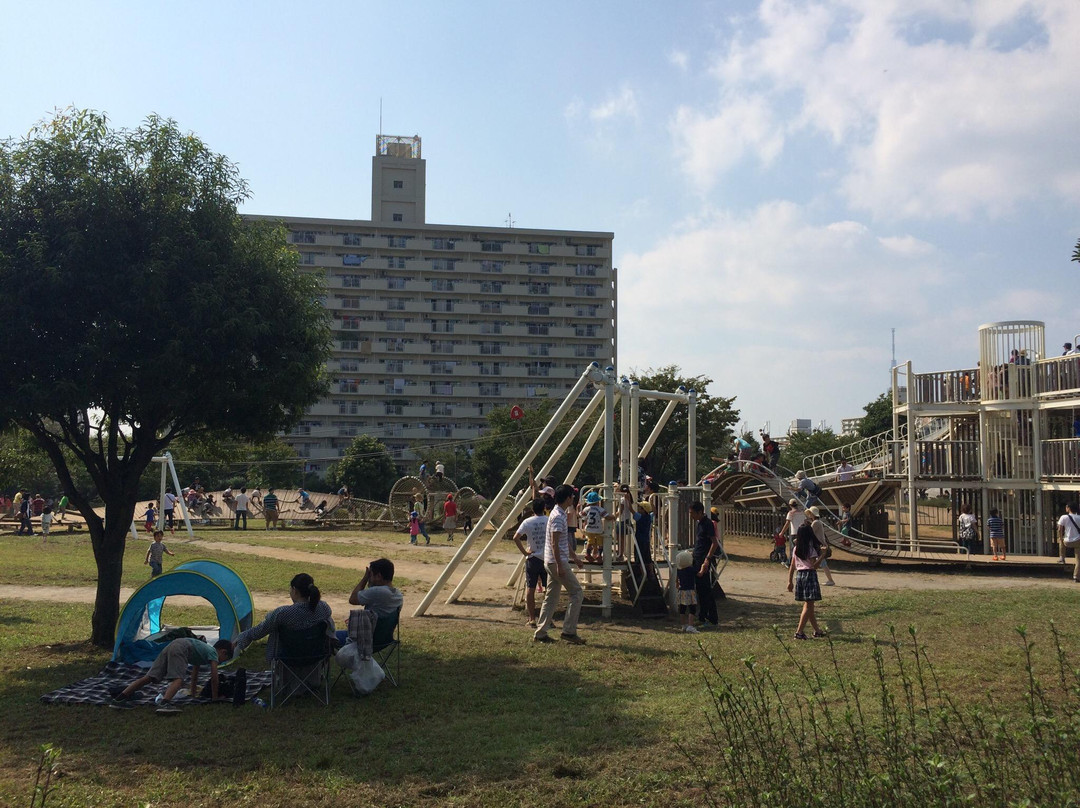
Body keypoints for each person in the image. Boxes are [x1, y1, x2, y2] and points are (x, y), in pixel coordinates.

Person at [111, 637, 233, 712]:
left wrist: (193, 692)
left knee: (150, 677)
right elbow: (214, 678)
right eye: (224, 659)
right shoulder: (212, 653)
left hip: (173, 645)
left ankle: (120, 698)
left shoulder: (203, 651)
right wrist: (215, 698)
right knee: (178, 679)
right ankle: (165, 703)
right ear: (223, 652)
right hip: (182, 647)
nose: (220, 662)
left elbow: (195, 674)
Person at [234, 573, 335, 661]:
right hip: (316, 657)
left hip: (287, 659)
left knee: (274, 627)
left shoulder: (283, 613)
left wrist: (240, 639)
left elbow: (259, 631)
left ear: (294, 590)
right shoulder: (324, 608)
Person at [534, 484, 585, 644]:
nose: (574, 498)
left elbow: (562, 541)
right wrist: (560, 565)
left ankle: (541, 633)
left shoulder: (559, 514)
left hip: (552, 562)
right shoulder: (558, 516)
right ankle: (569, 632)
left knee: (551, 597)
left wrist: (575, 557)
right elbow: (555, 543)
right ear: (568, 497)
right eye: (572, 496)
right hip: (556, 562)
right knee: (577, 593)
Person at [512, 499, 549, 627]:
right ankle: (548, 619)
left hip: (533, 558)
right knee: (547, 590)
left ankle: (532, 618)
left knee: (530, 589)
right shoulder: (548, 520)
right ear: (544, 507)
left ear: (533, 509)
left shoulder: (527, 522)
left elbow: (515, 537)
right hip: (547, 558)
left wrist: (524, 552)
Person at [787, 520, 825, 640]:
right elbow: (814, 566)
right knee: (809, 606)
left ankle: (817, 630)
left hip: (799, 576)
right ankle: (799, 632)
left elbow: (792, 566)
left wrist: (790, 581)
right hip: (810, 575)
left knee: (809, 605)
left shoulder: (796, 549)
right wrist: (822, 555)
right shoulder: (811, 549)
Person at [689, 501, 720, 628]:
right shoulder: (699, 523)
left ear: (699, 512)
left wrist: (707, 560)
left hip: (703, 560)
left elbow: (714, 543)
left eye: (692, 513)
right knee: (701, 590)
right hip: (697, 558)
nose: (691, 516)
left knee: (706, 590)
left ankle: (711, 618)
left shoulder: (708, 524)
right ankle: (702, 617)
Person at [580, 490, 613, 564]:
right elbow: (607, 517)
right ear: (598, 501)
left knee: (590, 541)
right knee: (600, 543)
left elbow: (580, 515)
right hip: (598, 529)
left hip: (589, 529)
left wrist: (577, 509)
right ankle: (599, 554)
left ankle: (588, 554)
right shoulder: (600, 509)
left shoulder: (587, 509)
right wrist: (613, 516)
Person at [806, 506, 836, 586]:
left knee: (821, 562)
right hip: (819, 545)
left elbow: (810, 532)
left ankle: (830, 580)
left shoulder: (816, 522)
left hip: (819, 545)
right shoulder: (817, 522)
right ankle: (809, 576)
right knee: (816, 562)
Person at [675, 550, 699, 633]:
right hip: (690, 591)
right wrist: (703, 568)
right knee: (692, 608)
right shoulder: (691, 569)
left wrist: (677, 585)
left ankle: (683, 625)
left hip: (681, 591)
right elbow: (699, 574)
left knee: (682, 608)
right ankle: (690, 625)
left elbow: (676, 580)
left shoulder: (679, 570)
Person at [1057, 503, 1080, 582]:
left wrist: (1060, 538)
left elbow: (1060, 529)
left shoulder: (1064, 517)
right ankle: (1075, 576)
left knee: (1060, 540)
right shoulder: (1079, 518)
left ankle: (1062, 557)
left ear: (1069, 508)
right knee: (1078, 560)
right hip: (1078, 541)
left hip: (1067, 541)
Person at [778, 499, 805, 564]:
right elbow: (805, 521)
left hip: (795, 532)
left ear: (790, 505)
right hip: (803, 532)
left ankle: (791, 562)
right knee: (802, 548)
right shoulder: (802, 512)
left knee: (793, 549)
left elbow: (787, 523)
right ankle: (802, 562)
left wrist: (782, 532)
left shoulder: (790, 513)